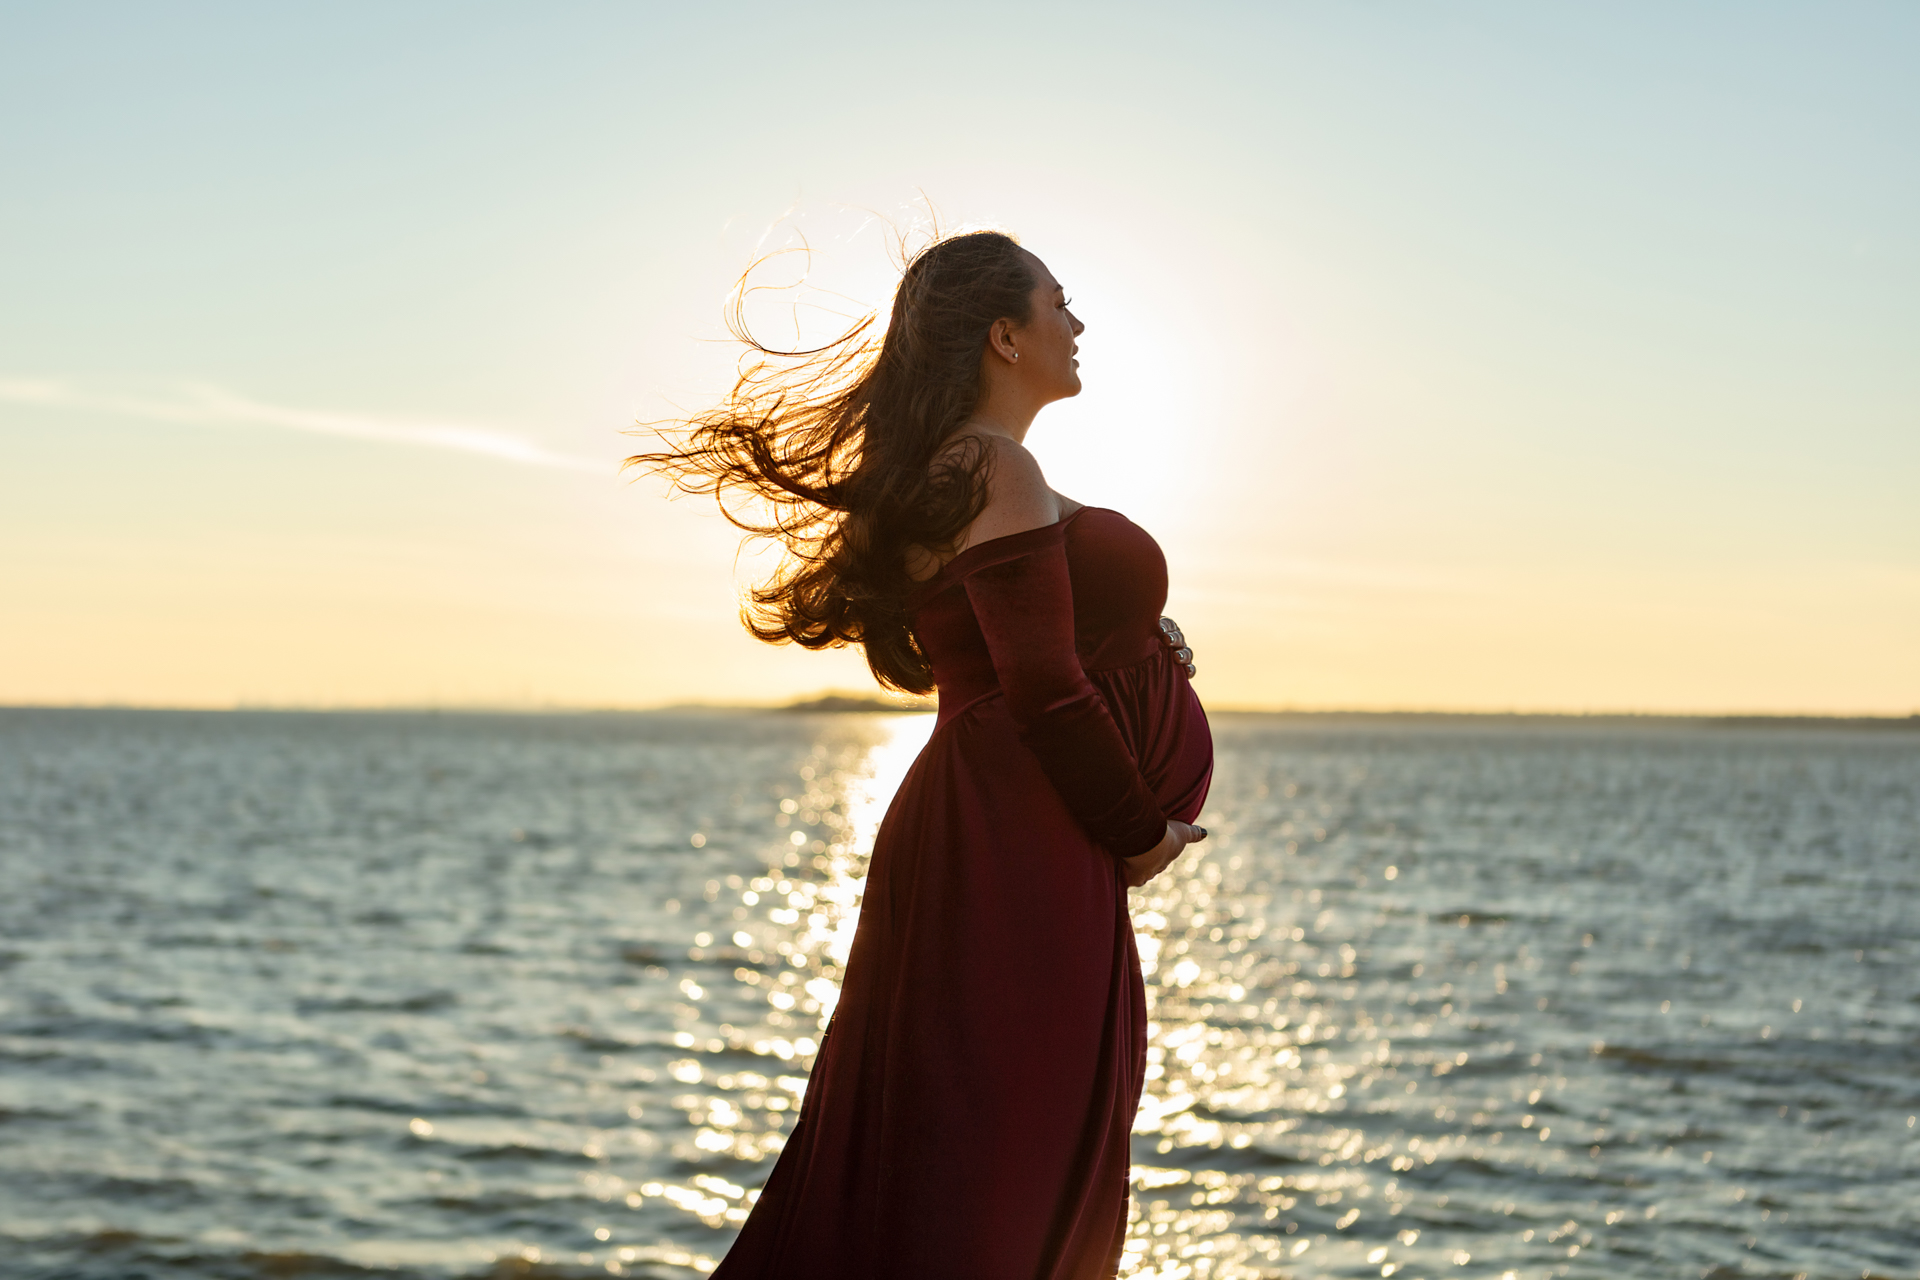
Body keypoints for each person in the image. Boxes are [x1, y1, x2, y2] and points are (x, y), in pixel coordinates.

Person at [630, 229, 1213, 1279]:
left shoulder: (960, 469)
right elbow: (1035, 685)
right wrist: (1141, 832)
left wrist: (1137, 639)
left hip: (1004, 826)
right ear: (1003, 334)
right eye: (1058, 304)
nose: (1076, 326)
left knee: (968, 1138)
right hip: (1019, 838)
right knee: (997, 1152)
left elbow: (988, 651)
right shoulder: (990, 462)